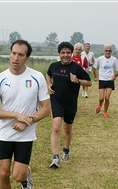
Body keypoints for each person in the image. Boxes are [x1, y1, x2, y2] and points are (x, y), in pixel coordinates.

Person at [0, 39, 51, 189]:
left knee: (17, 175)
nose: (16, 58)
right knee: (3, 172)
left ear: (27, 58)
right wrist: (16, 115)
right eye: (13, 53)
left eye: (20, 55)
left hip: (25, 134)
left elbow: (46, 108)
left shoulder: (37, 77)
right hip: (5, 133)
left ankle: (25, 176)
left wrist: (27, 121)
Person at [46, 41, 92, 169]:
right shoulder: (53, 66)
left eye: (67, 53)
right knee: (56, 128)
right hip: (56, 101)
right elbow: (48, 74)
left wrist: (77, 81)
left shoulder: (76, 68)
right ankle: (55, 157)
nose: (65, 55)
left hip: (70, 103)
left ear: (71, 54)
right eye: (63, 53)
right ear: (59, 54)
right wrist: (49, 84)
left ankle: (66, 150)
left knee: (67, 129)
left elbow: (89, 83)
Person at [93, 45, 118, 118]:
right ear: (104, 51)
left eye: (109, 51)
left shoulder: (114, 59)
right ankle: (99, 105)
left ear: (111, 52)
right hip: (102, 80)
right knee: (101, 98)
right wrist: (95, 77)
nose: (108, 52)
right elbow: (94, 67)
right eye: (106, 50)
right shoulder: (100, 59)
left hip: (110, 80)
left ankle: (105, 112)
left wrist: (115, 76)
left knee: (107, 97)